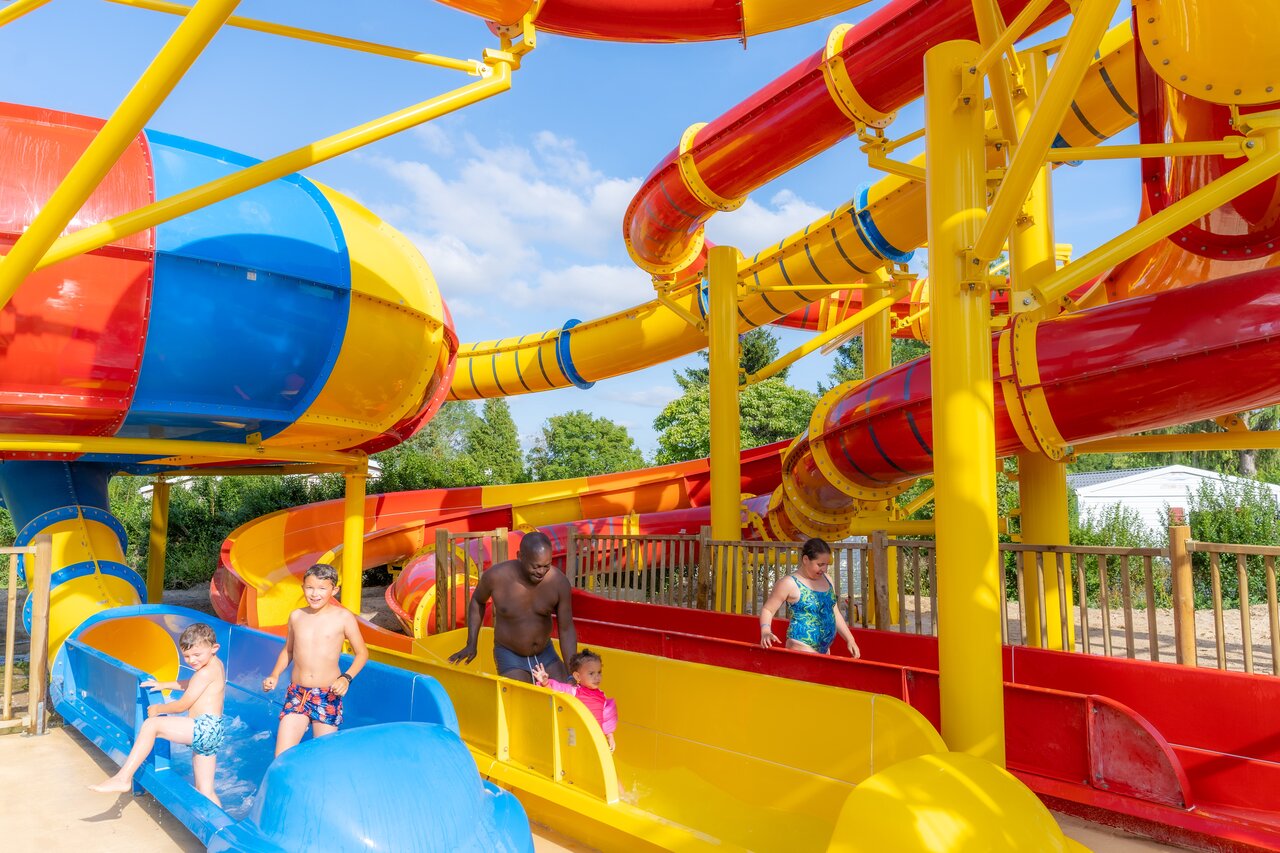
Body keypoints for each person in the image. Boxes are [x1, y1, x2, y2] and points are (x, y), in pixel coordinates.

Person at [90, 622, 226, 804]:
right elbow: (193, 684)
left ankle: (123, 778)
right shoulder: (215, 666)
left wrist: (158, 709)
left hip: (202, 727)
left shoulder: (203, 673)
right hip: (213, 731)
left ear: (214, 648)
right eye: (186, 656)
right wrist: (163, 684)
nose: (192, 660)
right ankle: (218, 830)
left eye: (197, 655)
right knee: (205, 790)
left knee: (151, 725)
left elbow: (182, 705)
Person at [262, 563, 368, 757]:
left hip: (328, 694)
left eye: (322, 588)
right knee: (282, 756)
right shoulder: (297, 616)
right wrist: (275, 674)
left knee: (323, 756)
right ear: (303, 588)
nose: (314, 593)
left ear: (334, 590)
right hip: (297, 693)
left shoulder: (343, 617)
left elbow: (362, 653)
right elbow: (289, 650)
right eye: (309, 588)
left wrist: (346, 678)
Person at [449, 530, 577, 683]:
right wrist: (471, 643)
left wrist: (573, 672)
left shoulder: (559, 582)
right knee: (520, 697)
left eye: (546, 566)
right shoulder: (496, 577)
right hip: (510, 655)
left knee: (566, 694)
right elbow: (477, 600)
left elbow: (567, 629)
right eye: (536, 567)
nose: (541, 572)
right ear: (520, 556)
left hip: (546, 654)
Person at [759, 537, 861, 658]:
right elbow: (768, 610)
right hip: (800, 646)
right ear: (806, 559)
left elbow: (834, 611)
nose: (824, 569)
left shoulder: (827, 579)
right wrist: (765, 631)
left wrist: (850, 639)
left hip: (825, 649)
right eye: (820, 564)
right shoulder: (789, 583)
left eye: (826, 564)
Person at [532, 649, 617, 752]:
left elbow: (607, 717)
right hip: (574, 736)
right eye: (591, 673)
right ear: (577, 676)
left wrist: (610, 736)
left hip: (593, 737)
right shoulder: (573, 692)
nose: (597, 677)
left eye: (599, 672)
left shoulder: (601, 696)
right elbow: (555, 694)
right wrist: (545, 683)